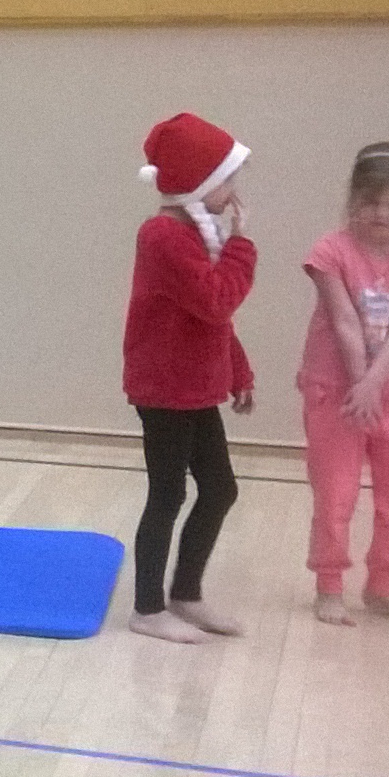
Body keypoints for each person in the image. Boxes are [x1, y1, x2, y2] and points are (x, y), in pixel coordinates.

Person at [297, 142, 389, 626]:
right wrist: (359, 385)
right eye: (372, 202)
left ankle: (384, 584)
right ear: (353, 198)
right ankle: (329, 586)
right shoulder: (331, 251)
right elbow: (344, 320)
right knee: (336, 493)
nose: (382, 214)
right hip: (334, 392)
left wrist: (374, 386)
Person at [125, 112, 257, 645]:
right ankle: (147, 608)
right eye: (227, 179)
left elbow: (212, 318)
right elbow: (217, 299)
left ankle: (185, 594)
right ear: (199, 182)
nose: (233, 192)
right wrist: (242, 246)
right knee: (168, 494)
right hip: (165, 390)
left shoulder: (194, 233)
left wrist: (237, 369)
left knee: (220, 489)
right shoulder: (163, 236)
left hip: (194, 388)